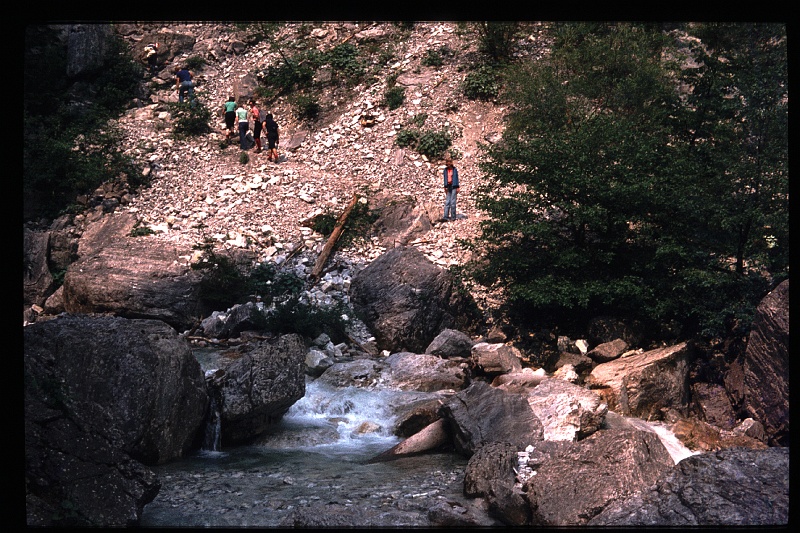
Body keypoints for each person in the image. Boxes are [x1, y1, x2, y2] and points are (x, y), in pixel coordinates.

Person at [441, 156, 460, 221]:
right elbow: (445, 178)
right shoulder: (445, 170)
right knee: (447, 202)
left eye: (449, 162)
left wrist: (458, 187)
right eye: (447, 162)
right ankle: (445, 216)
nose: (448, 164)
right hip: (448, 186)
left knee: (453, 202)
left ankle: (453, 217)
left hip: (454, 186)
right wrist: (445, 186)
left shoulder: (454, 170)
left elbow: (456, 178)